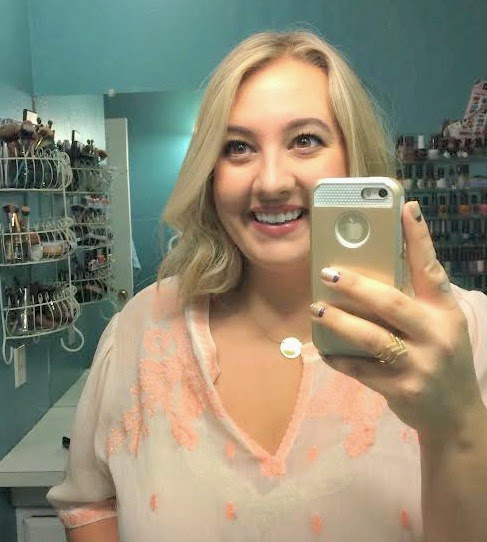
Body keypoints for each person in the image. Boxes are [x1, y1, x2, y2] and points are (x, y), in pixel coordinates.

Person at [47, 30, 487, 542]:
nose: (272, 182)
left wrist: (457, 425)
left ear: (353, 157)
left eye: (305, 140)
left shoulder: (468, 337)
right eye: (238, 147)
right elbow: (90, 503)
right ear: (210, 172)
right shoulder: (140, 330)